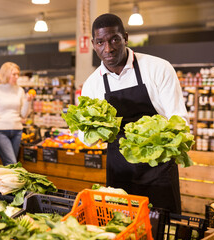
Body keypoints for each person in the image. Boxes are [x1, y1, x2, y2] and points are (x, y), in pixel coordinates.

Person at [78, 13, 189, 214]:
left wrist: (152, 139)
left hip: (158, 167)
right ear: (94, 44)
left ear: (125, 37)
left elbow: (179, 120)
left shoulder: (158, 68)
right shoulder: (92, 85)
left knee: (163, 226)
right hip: (119, 170)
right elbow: (85, 139)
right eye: (101, 42)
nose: (108, 48)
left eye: (114, 40)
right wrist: (95, 130)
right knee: (121, 225)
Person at [0, 62, 33, 166]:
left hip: (17, 131)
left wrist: (28, 101)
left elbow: (23, 115)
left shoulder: (20, 91)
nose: (17, 77)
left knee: (10, 164)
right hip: (0, 131)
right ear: (5, 74)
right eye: (14, 74)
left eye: (18, 74)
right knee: (12, 162)